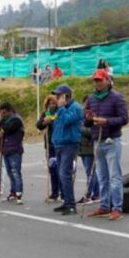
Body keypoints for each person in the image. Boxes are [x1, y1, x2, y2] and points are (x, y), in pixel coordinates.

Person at [85, 69, 129, 221]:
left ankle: (117, 208)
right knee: (101, 176)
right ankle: (104, 206)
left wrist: (107, 121)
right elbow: (86, 122)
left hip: (112, 140)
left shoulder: (117, 97)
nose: (97, 83)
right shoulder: (91, 98)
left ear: (107, 80)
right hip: (97, 141)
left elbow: (124, 119)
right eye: (95, 80)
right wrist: (89, 119)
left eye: (99, 80)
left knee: (114, 176)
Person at [50, 85, 85, 216]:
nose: (57, 97)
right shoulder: (61, 109)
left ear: (66, 96)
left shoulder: (75, 108)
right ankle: (66, 201)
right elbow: (55, 123)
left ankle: (71, 205)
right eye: (56, 95)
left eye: (59, 95)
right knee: (61, 174)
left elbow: (66, 121)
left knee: (65, 174)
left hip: (69, 144)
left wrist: (61, 107)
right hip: (59, 144)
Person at [0, 103, 24, 204]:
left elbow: (8, 129)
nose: (2, 114)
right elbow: (2, 128)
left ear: (9, 110)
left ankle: (18, 193)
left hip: (15, 149)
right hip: (6, 149)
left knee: (16, 172)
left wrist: (2, 124)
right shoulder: (5, 119)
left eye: (4, 112)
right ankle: (12, 192)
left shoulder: (16, 119)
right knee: (10, 172)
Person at [37, 94, 60, 202]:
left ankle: (64, 193)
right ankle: (54, 192)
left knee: (61, 169)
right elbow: (39, 125)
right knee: (52, 169)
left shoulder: (60, 112)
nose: (51, 105)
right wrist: (44, 121)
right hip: (50, 144)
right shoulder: (46, 113)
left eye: (53, 103)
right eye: (49, 104)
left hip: (60, 143)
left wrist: (53, 120)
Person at [77, 108, 100, 204]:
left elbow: (93, 132)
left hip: (90, 148)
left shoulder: (94, 115)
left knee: (90, 172)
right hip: (82, 148)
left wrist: (79, 129)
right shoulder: (81, 116)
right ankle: (96, 194)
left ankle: (89, 195)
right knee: (91, 172)